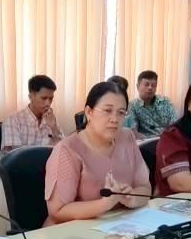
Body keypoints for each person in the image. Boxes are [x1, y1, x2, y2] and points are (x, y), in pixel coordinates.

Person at [44, 81, 151, 224]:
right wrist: (104, 204)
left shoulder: (127, 138)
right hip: (71, 231)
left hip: (120, 225)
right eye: (107, 111)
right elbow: (57, 210)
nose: (115, 119)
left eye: (121, 113)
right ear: (89, 112)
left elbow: (145, 188)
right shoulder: (67, 149)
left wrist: (133, 198)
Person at [0, 74, 63, 155]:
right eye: (44, 98)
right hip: (20, 162)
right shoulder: (13, 120)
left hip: (46, 162)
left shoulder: (51, 119)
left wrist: (54, 128)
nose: (48, 103)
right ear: (31, 96)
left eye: (51, 98)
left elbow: (63, 151)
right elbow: (15, 156)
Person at [125, 70, 177, 138]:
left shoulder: (166, 101)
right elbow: (134, 132)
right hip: (148, 141)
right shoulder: (132, 106)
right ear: (138, 86)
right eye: (147, 84)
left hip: (168, 139)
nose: (150, 88)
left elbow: (174, 124)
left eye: (153, 85)